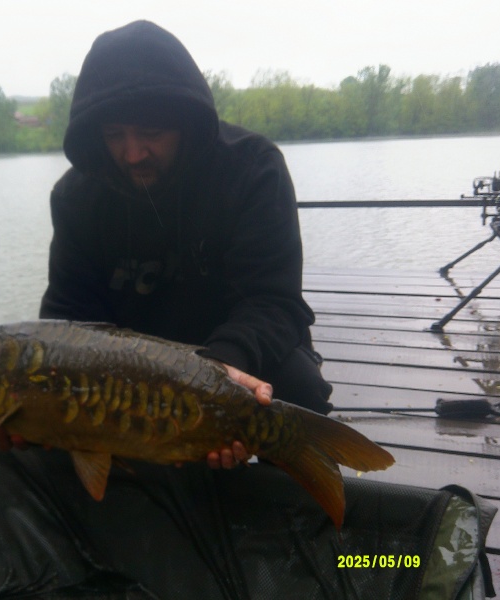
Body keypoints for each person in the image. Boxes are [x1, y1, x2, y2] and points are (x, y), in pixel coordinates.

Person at [35, 19, 332, 467]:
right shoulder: (75, 196)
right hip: (130, 374)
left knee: (296, 389)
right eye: (115, 135)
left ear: (185, 123)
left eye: (150, 133)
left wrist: (216, 376)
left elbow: (274, 302)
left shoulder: (253, 168)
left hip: (232, 355)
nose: (132, 153)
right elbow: (67, 318)